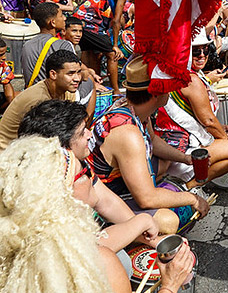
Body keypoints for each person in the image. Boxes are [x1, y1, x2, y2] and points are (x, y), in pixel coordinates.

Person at [0, 136, 194, 293]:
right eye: (81, 174)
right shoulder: (101, 263)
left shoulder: (19, 259)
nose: (90, 174)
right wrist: (170, 286)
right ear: (61, 198)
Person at [18, 99, 163, 254]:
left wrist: (153, 240)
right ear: (60, 147)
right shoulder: (50, 191)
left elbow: (107, 202)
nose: (89, 134)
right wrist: (141, 222)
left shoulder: (76, 165)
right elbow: (87, 250)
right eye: (82, 133)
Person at [87, 55, 210, 234]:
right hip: (103, 205)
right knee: (169, 222)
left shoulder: (132, 110)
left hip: (115, 189)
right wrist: (192, 199)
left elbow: (153, 140)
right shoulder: (127, 133)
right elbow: (146, 198)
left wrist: (185, 158)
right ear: (155, 94)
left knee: (169, 178)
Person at [154, 31, 228, 185]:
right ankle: (189, 186)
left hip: (169, 146)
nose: (202, 55)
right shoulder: (191, 79)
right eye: (196, 51)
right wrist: (225, 138)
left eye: (206, 50)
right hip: (182, 153)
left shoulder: (174, 70)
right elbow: (208, 121)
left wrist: (219, 130)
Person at [0, 49, 90, 151]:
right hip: (8, 151)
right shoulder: (39, 99)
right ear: (53, 74)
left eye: (78, 72)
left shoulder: (68, 91)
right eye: (70, 74)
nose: (77, 78)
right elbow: (47, 139)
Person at [73, 0, 134, 93]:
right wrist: (115, 45)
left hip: (78, 21)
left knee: (91, 53)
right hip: (92, 25)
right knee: (113, 55)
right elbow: (116, 20)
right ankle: (116, 91)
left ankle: (91, 87)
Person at [0, 38, 15, 112]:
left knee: (19, 96)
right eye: (1, 55)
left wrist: (11, 103)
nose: (4, 57)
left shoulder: (3, 66)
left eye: (4, 53)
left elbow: (6, 84)